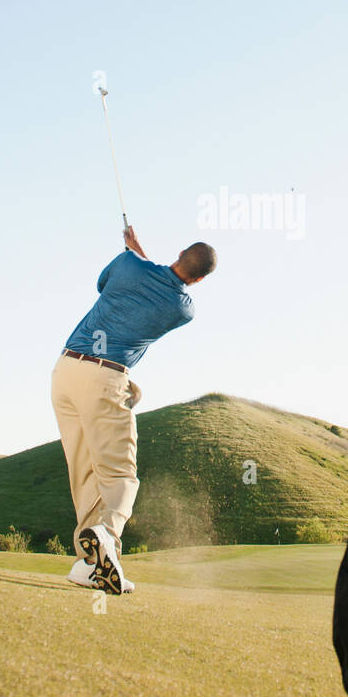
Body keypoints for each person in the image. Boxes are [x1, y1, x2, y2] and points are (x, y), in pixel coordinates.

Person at [51, 228, 217, 595]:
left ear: (179, 252)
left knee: (85, 473)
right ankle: (107, 535)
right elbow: (162, 283)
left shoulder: (128, 264)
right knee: (120, 474)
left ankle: (87, 564)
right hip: (105, 378)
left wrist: (134, 252)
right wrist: (139, 254)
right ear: (201, 279)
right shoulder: (183, 309)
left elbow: (107, 283)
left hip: (65, 371)